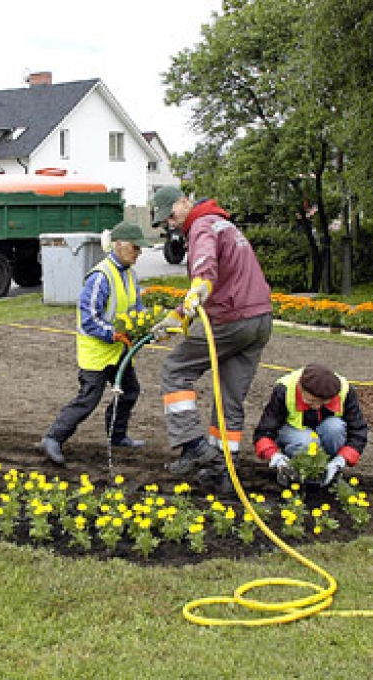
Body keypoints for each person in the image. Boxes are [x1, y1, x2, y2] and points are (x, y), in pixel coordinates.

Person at [149, 186, 273, 492]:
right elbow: (212, 285)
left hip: (233, 320)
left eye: (171, 215)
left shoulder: (201, 225)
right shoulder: (223, 223)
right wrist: (178, 316)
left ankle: (192, 444)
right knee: (228, 397)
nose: (171, 223)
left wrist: (202, 282)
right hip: (260, 320)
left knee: (175, 370)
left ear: (184, 202)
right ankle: (224, 472)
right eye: (166, 222)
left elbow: (205, 266)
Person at [39, 221, 151, 466]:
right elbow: (88, 318)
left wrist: (146, 327)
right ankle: (53, 438)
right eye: (135, 247)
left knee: (130, 391)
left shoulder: (130, 274)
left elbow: (136, 309)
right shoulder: (101, 276)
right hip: (97, 352)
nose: (139, 252)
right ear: (119, 245)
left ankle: (117, 436)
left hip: (118, 349)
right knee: (89, 399)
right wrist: (113, 333)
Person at [253, 363, 368, 487]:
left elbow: (358, 431)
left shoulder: (345, 391)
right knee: (306, 441)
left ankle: (330, 470)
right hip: (293, 434)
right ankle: (295, 471)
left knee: (335, 427)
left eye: (324, 402)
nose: (317, 406)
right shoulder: (285, 389)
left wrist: (341, 460)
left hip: (325, 432)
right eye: (311, 401)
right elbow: (264, 431)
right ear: (300, 387)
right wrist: (275, 457)